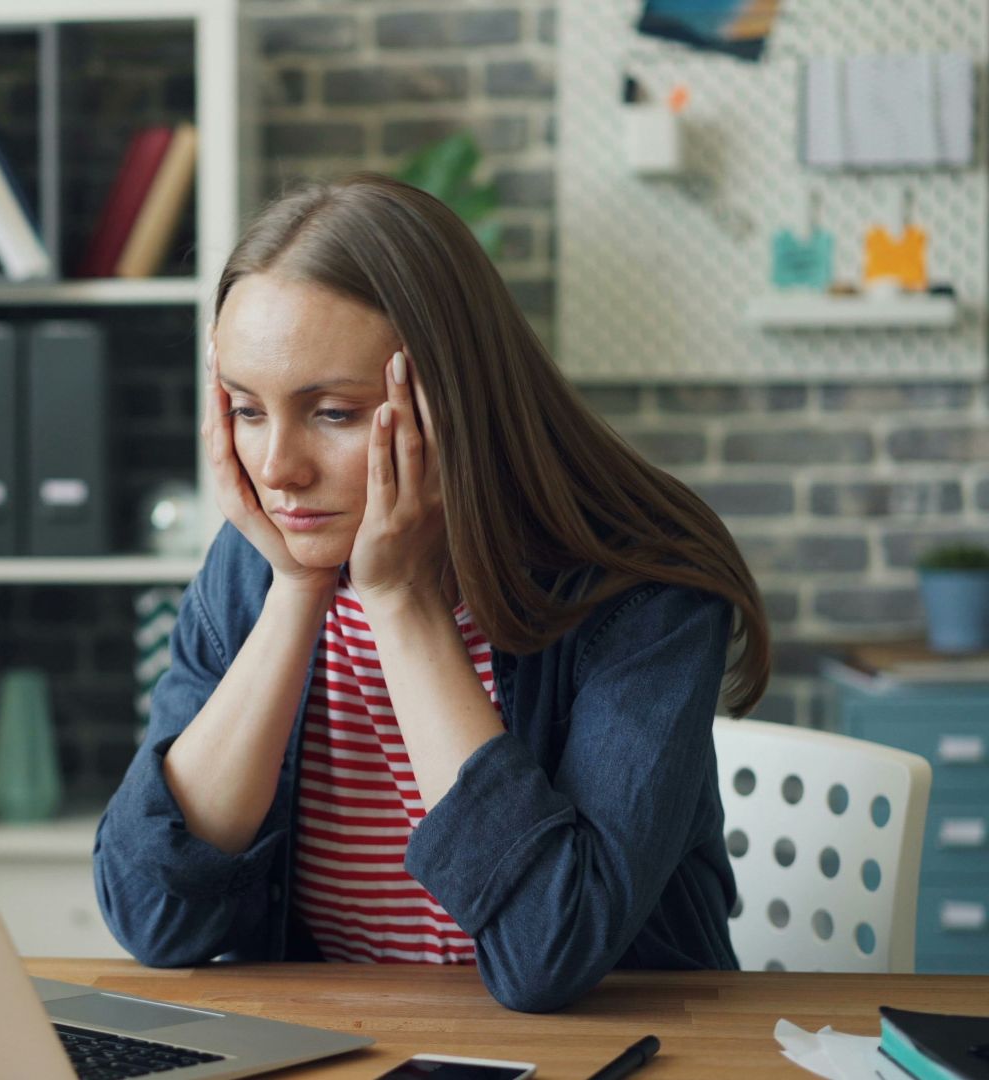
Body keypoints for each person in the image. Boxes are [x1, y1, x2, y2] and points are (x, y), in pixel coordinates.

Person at [93, 173, 770, 1014]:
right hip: (346, 1048)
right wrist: (297, 590)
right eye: (246, 410)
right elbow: (152, 916)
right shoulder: (259, 564)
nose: (277, 470)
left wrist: (404, 601)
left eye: (333, 413)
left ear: (454, 399)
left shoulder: (640, 589)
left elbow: (546, 953)